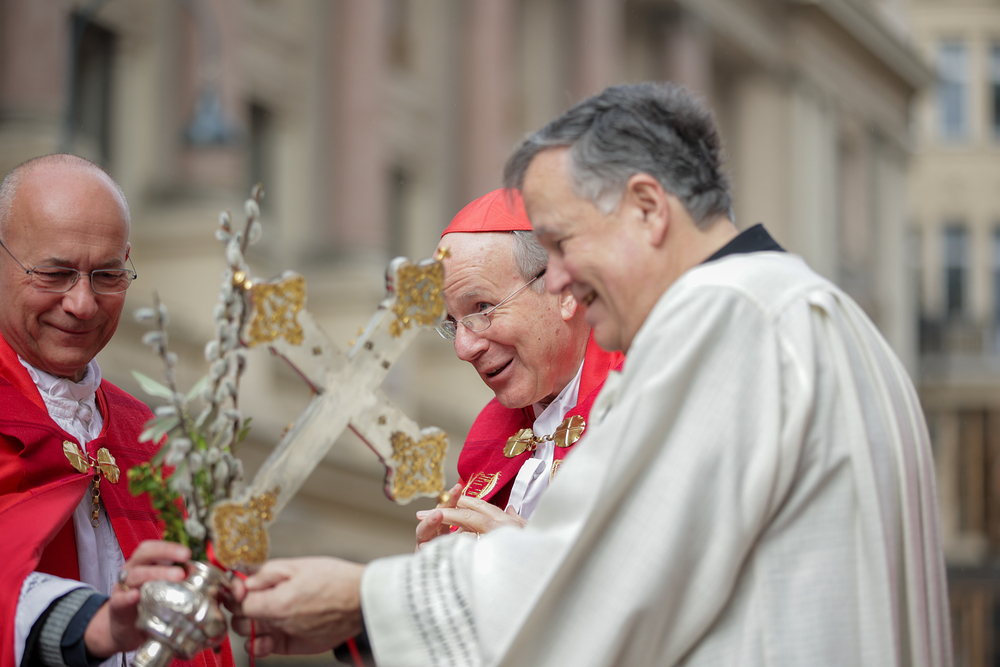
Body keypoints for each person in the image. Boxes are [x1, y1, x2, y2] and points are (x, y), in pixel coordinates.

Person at [230, 83, 951, 666]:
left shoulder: (727, 318)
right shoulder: (819, 314)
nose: (561, 281)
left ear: (647, 208)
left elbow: (614, 588)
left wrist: (361, 599)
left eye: (563, 243)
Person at [0, 155, 233, 667]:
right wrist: (87, 624)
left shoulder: (147, 436)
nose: (82, 304)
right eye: (55, 274)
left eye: (107, 275)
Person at [414, 189, 623, 545]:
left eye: (482, 307)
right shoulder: (487, 438)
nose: (464, 348)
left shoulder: (644, 400)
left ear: (564, 289)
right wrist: (439, 571)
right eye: (452, 323)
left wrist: (529, 558)